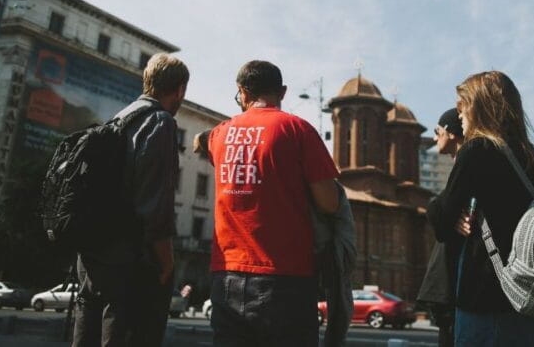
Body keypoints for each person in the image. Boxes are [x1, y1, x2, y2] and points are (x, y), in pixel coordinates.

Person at [206, 60, 340, 347]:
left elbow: (201, 142)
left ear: (242, 91)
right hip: (285, 278)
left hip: (226, 274)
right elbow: (329, 203)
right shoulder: (298, 130)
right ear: (283, 92)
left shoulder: (219, 134)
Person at [73, 53, 189, 347]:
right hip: (130, 255)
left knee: (88, 329)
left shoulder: (119, 117)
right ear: (179, 90)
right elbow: (154, 204)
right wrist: (166, 262)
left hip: (93, 251)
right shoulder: (161, 122)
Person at [427, 71, 534, 347]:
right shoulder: (532, 156)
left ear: (481, 106)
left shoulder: (476, 150)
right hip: (532, 291)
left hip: (486, 292)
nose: (460, 115)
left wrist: (444, 210)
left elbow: (443, 223)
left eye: (464, 105)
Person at [417, 108, 464, 347]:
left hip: (454, 284)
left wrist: (439, 210)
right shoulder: (460, 165)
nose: (435, 139)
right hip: (450, 283)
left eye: (438, 131)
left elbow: (439, 213)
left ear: (451, 132)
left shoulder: (465, 163)